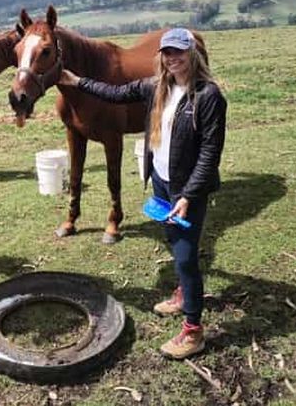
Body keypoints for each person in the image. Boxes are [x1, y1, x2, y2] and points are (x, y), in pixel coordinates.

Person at [58, 27, 227, 359]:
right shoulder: (156, 88)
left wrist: (189, 195)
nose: (173, 58)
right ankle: (182, 294)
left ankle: (193, 331)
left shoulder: (208, 96)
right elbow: (115, 93)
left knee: (186, 256)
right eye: (167, 52)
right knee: (172, 240)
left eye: (179, 51)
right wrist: (78, 82)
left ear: (193, 54)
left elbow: (210, 154)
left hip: (186, 190)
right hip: (162, 182)